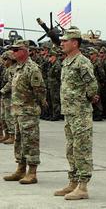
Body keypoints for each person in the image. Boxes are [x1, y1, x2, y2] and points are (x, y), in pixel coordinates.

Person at [55, 28, 99, 200]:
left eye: (65, 41)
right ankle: (72, 182)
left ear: (75, 43)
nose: (62, 43)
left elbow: (92, 85)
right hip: (69, 113)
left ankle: (83, 186)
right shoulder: (67, 61)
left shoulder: (82, 62)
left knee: (82, 149)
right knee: (71, 149)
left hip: (80, 113)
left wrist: (86, 99)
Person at [3, 40, 46, 185]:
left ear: (24, 51)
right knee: (19, 141)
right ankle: (20, 169)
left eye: (16, 50)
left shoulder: (32, 68)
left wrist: (36, 106)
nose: (13, 52)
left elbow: (40, 90)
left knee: (30, 141)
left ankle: (32, 172)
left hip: (28, 111)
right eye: (13, 50)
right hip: (17, 111)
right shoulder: (18, 68)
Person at [0, 51, 16, 144]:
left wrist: (2, 90)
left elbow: (10, 83)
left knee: (9, 116)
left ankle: (12, 135)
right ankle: (6, 134)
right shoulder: (7, 69)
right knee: (4, 116)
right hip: (5, 96)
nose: (4, 61)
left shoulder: (13, 70)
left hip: (10, 96)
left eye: (6, 59)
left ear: (10, 60)